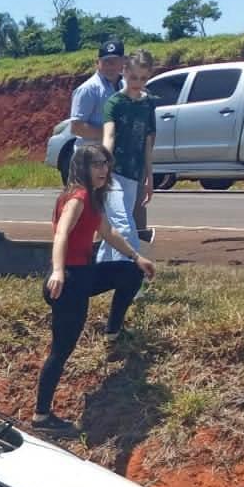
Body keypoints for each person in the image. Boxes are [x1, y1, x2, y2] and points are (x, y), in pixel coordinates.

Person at [33, 144, 156, 433]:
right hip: (69, 282)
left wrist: (136, 257)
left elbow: (108, 232)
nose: (104, 170)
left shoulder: (93, 199)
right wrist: (59, 271)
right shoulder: (77, 197)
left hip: (84, 275)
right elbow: (62, 232)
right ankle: (41, 416)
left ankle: (113, 331)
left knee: (129, 273)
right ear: (82, 168)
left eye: (106, 164)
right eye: (97, 164)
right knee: (61, 351)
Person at [97, 49, 159, 339]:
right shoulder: (115, 103)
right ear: (123, 72)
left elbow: (148, 143)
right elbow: (108, 136)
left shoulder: (149, 105)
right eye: (132, 77)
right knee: (123, 226)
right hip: (114, 173)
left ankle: (96, 275)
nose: (137, 83)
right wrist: (103, 166)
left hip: (134, 174)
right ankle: (133, 281)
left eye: (143, 78)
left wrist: (149, 177)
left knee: (117, 230)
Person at [69, 39, 127, 159]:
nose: (110, 66)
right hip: (90, 158)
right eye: (105, 62)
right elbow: (76, 127)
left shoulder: (125, 86)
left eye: (114, 61)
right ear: (97, 63)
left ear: (123, 61)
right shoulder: (88, 89)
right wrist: (110, 133)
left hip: (116, 157)